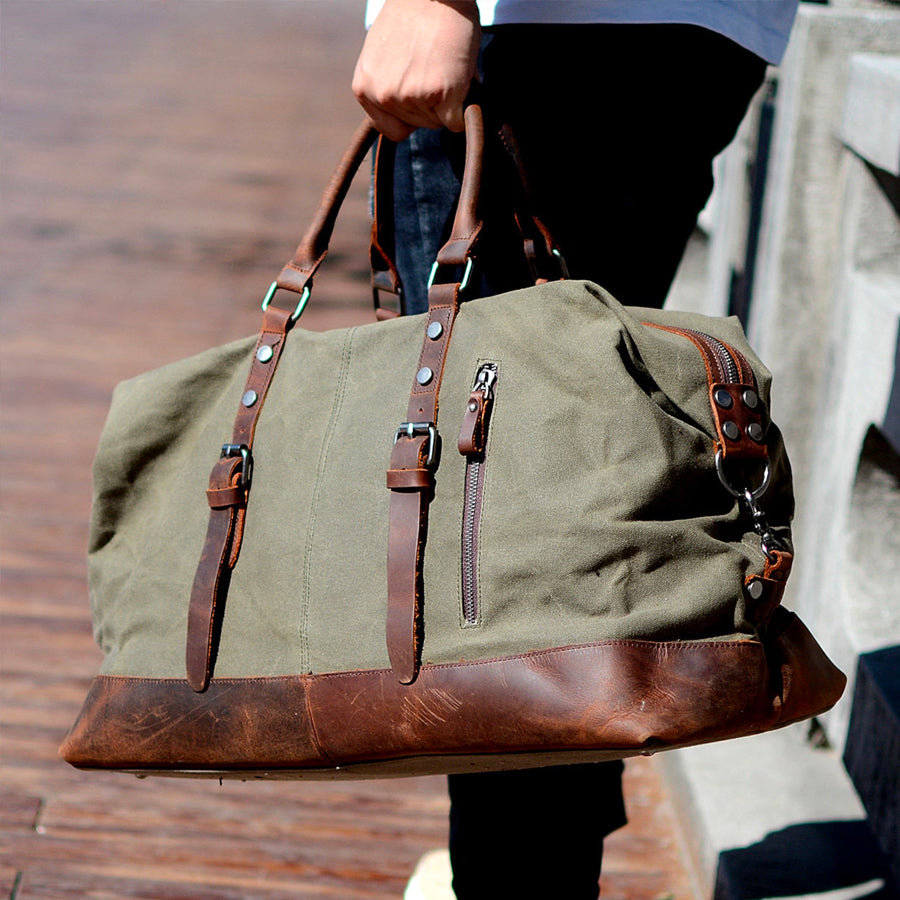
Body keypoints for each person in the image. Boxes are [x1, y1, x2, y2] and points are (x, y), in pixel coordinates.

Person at [353, 2, 798, 897]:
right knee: (566, 489)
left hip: (544, 25)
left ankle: (521, 869)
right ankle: (524, 851)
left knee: (500, 524)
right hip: (693, 30)